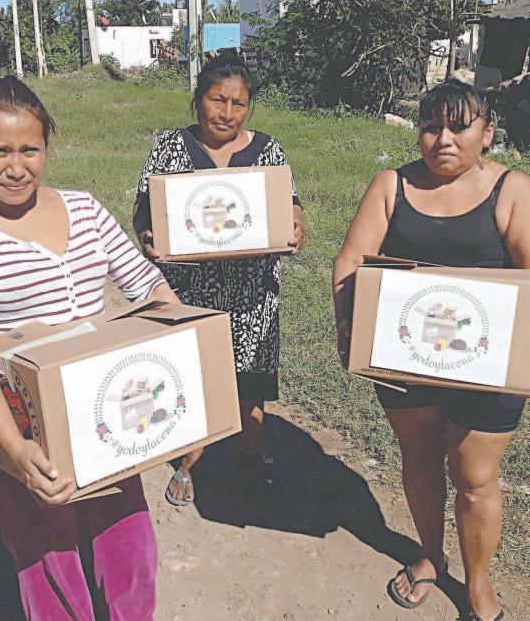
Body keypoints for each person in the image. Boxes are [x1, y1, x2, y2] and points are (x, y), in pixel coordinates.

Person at [0, 77, 180, 620]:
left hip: (103, 417)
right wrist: (16, 448)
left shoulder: (84, 209)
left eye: (30, 149)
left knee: (130, 550)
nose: (16, 167)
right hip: (18, 428)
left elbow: (151, 288)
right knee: (53, 568)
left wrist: (189, 381)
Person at [333, 79, 530, 621]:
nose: (443, 139)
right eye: (430, 127)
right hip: (404, 359)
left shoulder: (513, 191)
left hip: (488, 367)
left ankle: (479, 584)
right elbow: (352, 258)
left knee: (475, 478)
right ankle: (430, 555)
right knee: (419, 459)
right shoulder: (391, 186)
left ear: (487, 133)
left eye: (459, 127)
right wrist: (348, 323)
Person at [133, 54, 305, 506]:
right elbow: (144, 208)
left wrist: (294, 224)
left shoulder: (267, 149)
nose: (227, 113)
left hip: (253, 295)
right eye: (217, 100)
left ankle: (251, 459)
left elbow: (289, 201)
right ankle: (190, 462)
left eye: (238, 103)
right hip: (189, 292)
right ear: (198, 99)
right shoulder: (171, 147)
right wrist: (148, 235)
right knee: (193, 380)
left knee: (250, 386)